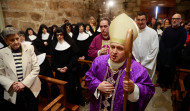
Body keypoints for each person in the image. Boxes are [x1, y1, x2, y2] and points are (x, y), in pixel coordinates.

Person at [85, 13, 155, 111]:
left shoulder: (138, 70)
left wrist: (134, 89)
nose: (114, 52)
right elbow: (89, 76)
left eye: (120, 48)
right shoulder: (98, 61)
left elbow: (149, 90)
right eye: (112, 47)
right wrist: (98, 85)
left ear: (127, 51)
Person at [0, 27, 41, 111]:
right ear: (6, 41)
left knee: (33, 107)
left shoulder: (29, 48)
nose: (16, 42)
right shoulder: (2, 53)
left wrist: (24, 83)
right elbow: (0, 74)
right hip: (14, 89)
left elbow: (36, 68)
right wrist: (12, 84)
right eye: (12, 40)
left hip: (31, 86)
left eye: (17, 38)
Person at [50, 27, 84, 105]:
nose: (59, 37)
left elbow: (75, 57)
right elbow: (53, 59)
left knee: (71, 89)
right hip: (59, 72)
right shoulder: (54, 45)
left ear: (64, 35)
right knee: (60, 90)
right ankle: (63, 105)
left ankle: (72, 105)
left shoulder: (70, 43)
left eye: (61, 35)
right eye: (57, 35)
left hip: (70, 70)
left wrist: (67, 67)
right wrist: (57, 68)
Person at [157, 13, 187, 91]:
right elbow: (162, 41)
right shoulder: (167, 29)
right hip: (164, 53)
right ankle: (160, 82)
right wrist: (163, 50)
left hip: (174, 54)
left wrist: (170, 50)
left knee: (169, 71)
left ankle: (166, 85)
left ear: (180, 20)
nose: (174, 20)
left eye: (176, 19)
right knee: (162, 67)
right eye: (173, 18)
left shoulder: (183, 30)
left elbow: (181, 43)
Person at [132, 12, 159, 80]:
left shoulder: (153, 33)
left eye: (142, 20)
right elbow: (131, 48)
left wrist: (143, 63)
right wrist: (137, 61)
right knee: (136, 84)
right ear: (136, 20)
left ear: (146, 20)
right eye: (138, 20)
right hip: (135, 63)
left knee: (146, 84)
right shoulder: (133, 33)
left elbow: (154, 50)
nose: (140, 22)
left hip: (148, 64)